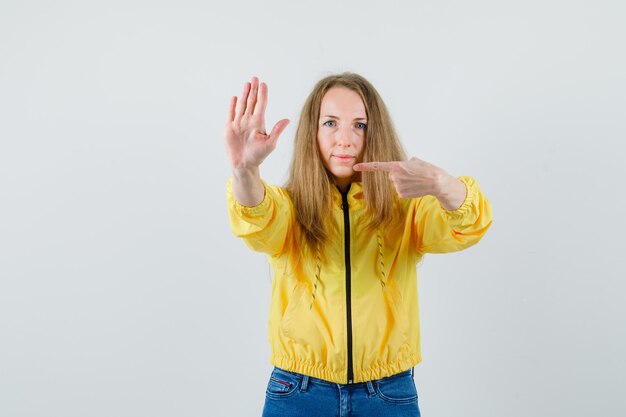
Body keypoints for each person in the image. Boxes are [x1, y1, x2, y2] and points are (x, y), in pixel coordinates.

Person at [224, 73, 492, 417]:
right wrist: (245, 170)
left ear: (375, 132)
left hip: (387, 393)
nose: (345, 139)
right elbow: (256, 217)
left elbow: (469, 225)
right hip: (297, 392)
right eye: (331, 123)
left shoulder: (407, 209)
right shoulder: (290, 208)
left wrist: (443, 185)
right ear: (313, 132)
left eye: (360, 125)